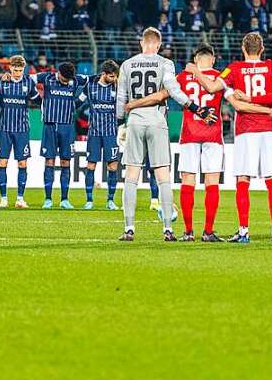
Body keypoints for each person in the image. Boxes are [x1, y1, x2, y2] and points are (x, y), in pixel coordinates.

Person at [188, 31, 272, 243]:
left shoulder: (233, 69)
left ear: (243, 49)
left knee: (243, 180)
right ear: (262, 49)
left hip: (246, 130)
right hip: (269, 131)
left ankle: (244, 231)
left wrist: (195, 71)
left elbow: (211, 86)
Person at [130, 44, 272, 241]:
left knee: (188, 182)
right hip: (213, 136)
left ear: (196, 59)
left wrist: (134, 103)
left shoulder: (182, 77)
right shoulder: (220, 77)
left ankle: (188, 232)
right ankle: (208, 231)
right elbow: (238, 105)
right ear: (213, 59)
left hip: (189, 134)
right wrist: (266, 110)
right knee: (211, 183)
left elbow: (160, 96)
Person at [116, 27, 215, 241]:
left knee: (131, 177)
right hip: (157, 119)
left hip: (134, 119)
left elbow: (120, 99)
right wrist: (195, 107)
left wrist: (119, 123)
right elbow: (173, 91)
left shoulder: (127, 64)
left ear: (142, 43)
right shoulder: (165, 63)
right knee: (163, 176)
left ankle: (129, 229)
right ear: (158, 45)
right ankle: (168, 229)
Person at [36, 61, 88, 209]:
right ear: (58, 73)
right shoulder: (47, 78)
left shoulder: (75, 79)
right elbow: (28, 79)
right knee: (49, 162)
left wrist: (81, 98)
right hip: (50, 126)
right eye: (65, 79)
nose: (67, 82)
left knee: (66, 162)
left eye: (69, 80)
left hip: (67, 127)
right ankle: (48, 199)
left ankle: (64, 199)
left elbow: (95, 79)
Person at [0, 55, 39, 209]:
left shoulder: (28, 82)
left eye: (20, 70)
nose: (18, 73)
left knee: (22, 163)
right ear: (10, 68)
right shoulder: (1, 82)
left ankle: (20, 198)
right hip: (4, 129)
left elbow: (39, 100)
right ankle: (3, 198)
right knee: (2, 163)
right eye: (15, 70)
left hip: (22, 130)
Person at [82, 60, 121, 210]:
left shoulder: (118, 88)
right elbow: (78, 102)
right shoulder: (90, 86)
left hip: (111, 133)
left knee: (112, 166)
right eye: (111, 76)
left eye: (115, 76)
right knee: (91, 165)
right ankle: (89, 200)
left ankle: (110, 201)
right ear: (103, 74)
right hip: (94, 133)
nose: (114, 78)